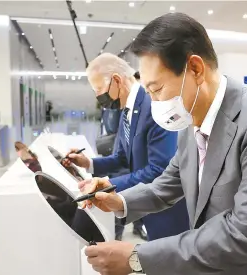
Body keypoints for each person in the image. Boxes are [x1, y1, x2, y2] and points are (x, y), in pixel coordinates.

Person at [80, 13, 247, 275]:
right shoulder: (190, 120)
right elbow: (170, 183)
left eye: (157, 90)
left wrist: (137, 257)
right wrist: (119, 201)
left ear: (195, 69)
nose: (154, 103)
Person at [63, 53, 189, 241]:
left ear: (116, 80)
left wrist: (110, 186)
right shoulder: (127, 111)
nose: (99, 97)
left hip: (167, 209)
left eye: (99, 89)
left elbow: (159, 168)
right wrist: (88, 163)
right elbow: (122, 157)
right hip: (146, 205)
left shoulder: (153, 106)